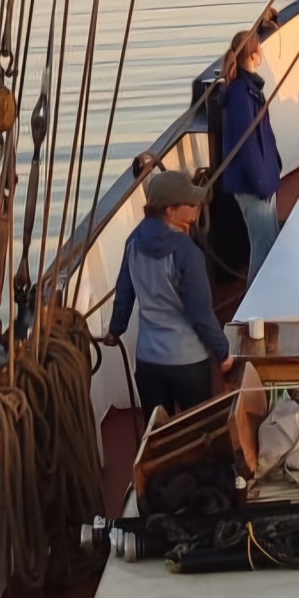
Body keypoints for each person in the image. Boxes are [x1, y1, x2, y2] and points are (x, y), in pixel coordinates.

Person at [103, 169, 232, 417]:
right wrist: (222, 352)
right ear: (170, 210)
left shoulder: (133, 243)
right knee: (197, 429)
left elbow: (124, 293)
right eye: (190, 204)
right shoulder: (188, 253)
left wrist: (115, 329)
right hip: (188, 364)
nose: (197, 207)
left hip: (149, 363)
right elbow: (200, 313)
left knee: (157, 432)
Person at [218, 28, 281, 279]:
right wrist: (262, 183)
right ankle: (252, 302)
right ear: (254, 55)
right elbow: (248, 146)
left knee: (271, 243)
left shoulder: (250, 89)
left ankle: (269, 295)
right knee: (263, 247)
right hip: (254, 185)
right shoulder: (241, 95)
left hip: (263, 180)